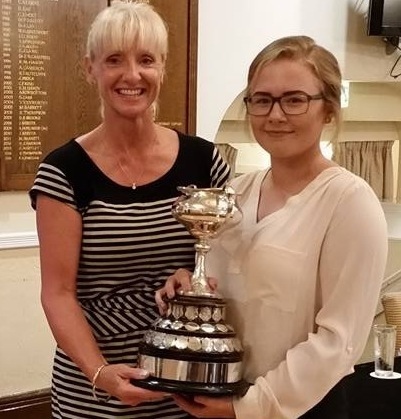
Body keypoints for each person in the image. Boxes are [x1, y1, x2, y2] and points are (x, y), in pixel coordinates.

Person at [157, 35, 388, 418]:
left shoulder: (349, 202)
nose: (275, 115)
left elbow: (338, 341)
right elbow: (222, 290)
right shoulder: (236, 193)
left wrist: (247, 407)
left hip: (301, 407)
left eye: (295, 99)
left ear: (328, 109)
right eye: (261, 100)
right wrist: (188, 287)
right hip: (218, 397)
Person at [29, 2, 230, 418]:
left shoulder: (205, 162)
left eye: (146, 60)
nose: (132, 75)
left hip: (188, 389)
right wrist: (99, 373)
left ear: (162, 68)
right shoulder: (63, 171)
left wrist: (194, 278)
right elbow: (58, 294)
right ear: (90, 69)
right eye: (114, 60)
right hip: (95, 393)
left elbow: (233, 265)